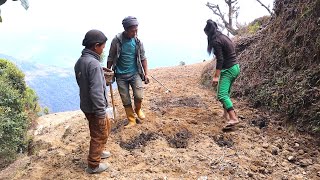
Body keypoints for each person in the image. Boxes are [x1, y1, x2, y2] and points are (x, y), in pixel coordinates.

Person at [74, 29, 111, 174]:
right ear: (96, 46)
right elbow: (96, 92)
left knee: (102, 128)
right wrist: (101, 111)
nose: (103, 49)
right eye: (102, 46)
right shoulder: (94, 64)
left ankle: (99, 151)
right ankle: (93, 165)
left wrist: (99, 72)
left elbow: (84, 80)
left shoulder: (81, 61)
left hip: (86, 105)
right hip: (95, 107)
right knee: (99, 133)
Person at [107, 16, 149, 128]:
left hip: (135, 74)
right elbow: (110, 57)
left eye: (136, 30)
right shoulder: (117, 40)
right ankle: (131, 119)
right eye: (132, 31)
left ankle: (138, 109)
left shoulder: (137, 42)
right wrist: (108, 72)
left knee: (139, 96)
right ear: (125, 30)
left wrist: (146, 73)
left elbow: (143, 58)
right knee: (125, 99)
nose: (135, 33)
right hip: (120, 75)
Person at [204, 19, 241, 129]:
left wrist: (216, 76)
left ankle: (233, 118)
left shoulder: (215, 41)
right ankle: (225, 115)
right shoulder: (223, 36)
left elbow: (220, 59)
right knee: (226, 92)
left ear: (208, 33)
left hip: (228, 69)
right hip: (235, 67)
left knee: (222, 95)